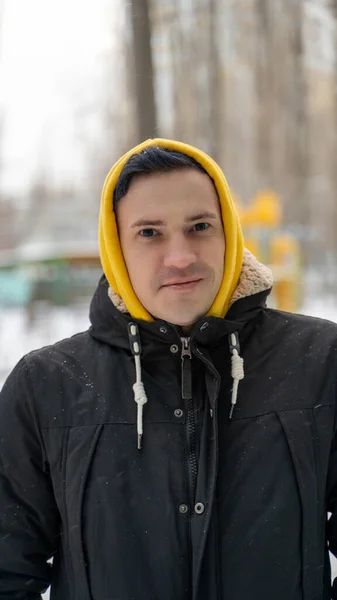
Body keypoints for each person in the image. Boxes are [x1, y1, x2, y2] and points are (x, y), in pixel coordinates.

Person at [0, 138, 336, 600]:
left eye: (199, 226)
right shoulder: (46, 386)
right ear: (116, 248)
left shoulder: (319, 361)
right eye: (149, 233)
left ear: (229, 234)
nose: (180, 257)